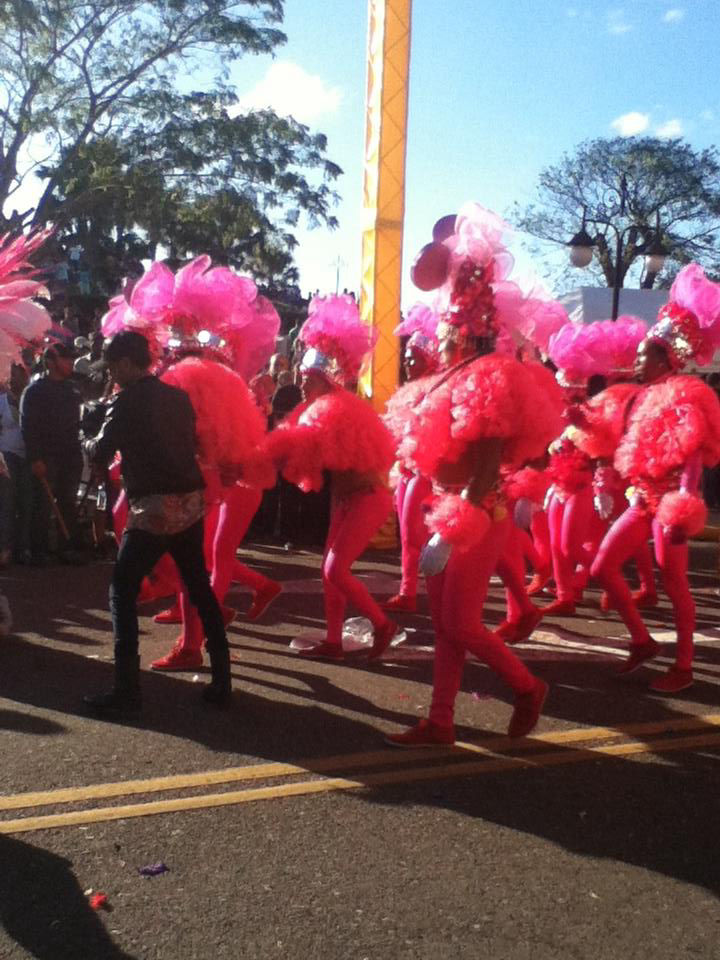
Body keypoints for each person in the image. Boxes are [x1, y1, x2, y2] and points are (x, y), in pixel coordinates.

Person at [385, 204, 564, 747]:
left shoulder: (487, 378)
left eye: (447, 332)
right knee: (444, 629)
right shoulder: (449, 379)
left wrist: (450, 526)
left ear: (467, 332)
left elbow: (487, 467)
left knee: (460, 626)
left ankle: (528, 686)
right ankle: (440, 720)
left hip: (475, 515)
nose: (438, 340)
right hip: (450, 508)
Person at [83, 331, 232, 712]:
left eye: (116, 368)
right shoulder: (178, 398)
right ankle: (222, 678)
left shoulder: (125, 400)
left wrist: (85, 434)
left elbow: (101, 450)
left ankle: (127, 690)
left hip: (153, 508)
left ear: (128, 365)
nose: (113, 375)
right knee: (198, 585)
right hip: (190, 502)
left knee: (121, 590)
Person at [591, 264, 720, 693]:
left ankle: (683, 666)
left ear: (665, 358)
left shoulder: (687, 394)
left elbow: (692, 457)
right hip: (641, 498)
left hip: (668, 504)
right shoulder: (642, 395)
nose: (637, 360)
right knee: (603, 566)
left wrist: (683, 509)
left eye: (645, 355)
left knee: (673, 580)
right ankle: (643, 641)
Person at [267, 294, 398, 660]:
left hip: (367, 499)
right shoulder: (322, 406)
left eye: (309, 379)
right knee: (330, 574)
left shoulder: (334, 408)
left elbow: (299, 449)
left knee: (335, 569)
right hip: (346, 499)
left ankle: (383, 624)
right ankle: (334, 640)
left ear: (327, 381)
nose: (302, 386)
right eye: (303, 378)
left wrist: (259, 457)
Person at [20, 341, 84, 564]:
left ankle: (68, 548)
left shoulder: (73, 389)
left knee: (68, 501)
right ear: (51, 362)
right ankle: (39, 551)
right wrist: (35, 458)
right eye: (65, 359)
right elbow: (28, 427)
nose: (70, 363)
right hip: (46, 455)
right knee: (43, 503)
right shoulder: (34, 391)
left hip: (70, 454)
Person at [0, 363, 32, 564]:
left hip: (29, 457)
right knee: (7, 503)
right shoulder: (1, 401)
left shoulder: (32, 398)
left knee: (27, 503)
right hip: (7, 455)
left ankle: (24, 548)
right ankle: (5, 548)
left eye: (17, 374)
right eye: (10, 375)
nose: (14, 379)